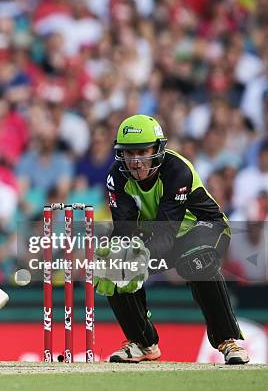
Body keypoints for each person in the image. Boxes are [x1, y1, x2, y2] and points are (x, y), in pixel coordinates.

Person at [94, 114, 249, 365]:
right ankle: (143, 342)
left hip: (203, 226)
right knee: (114, 266)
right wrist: (117, 258)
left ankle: (228, 341)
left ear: (158, 149)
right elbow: (124, 230)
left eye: (142, 152)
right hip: (158, 232)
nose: (135, 161)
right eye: (129, 153)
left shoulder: (177, 170)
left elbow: (167, 234)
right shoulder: (116, 176)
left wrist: (137, 255)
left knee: (195, 261)